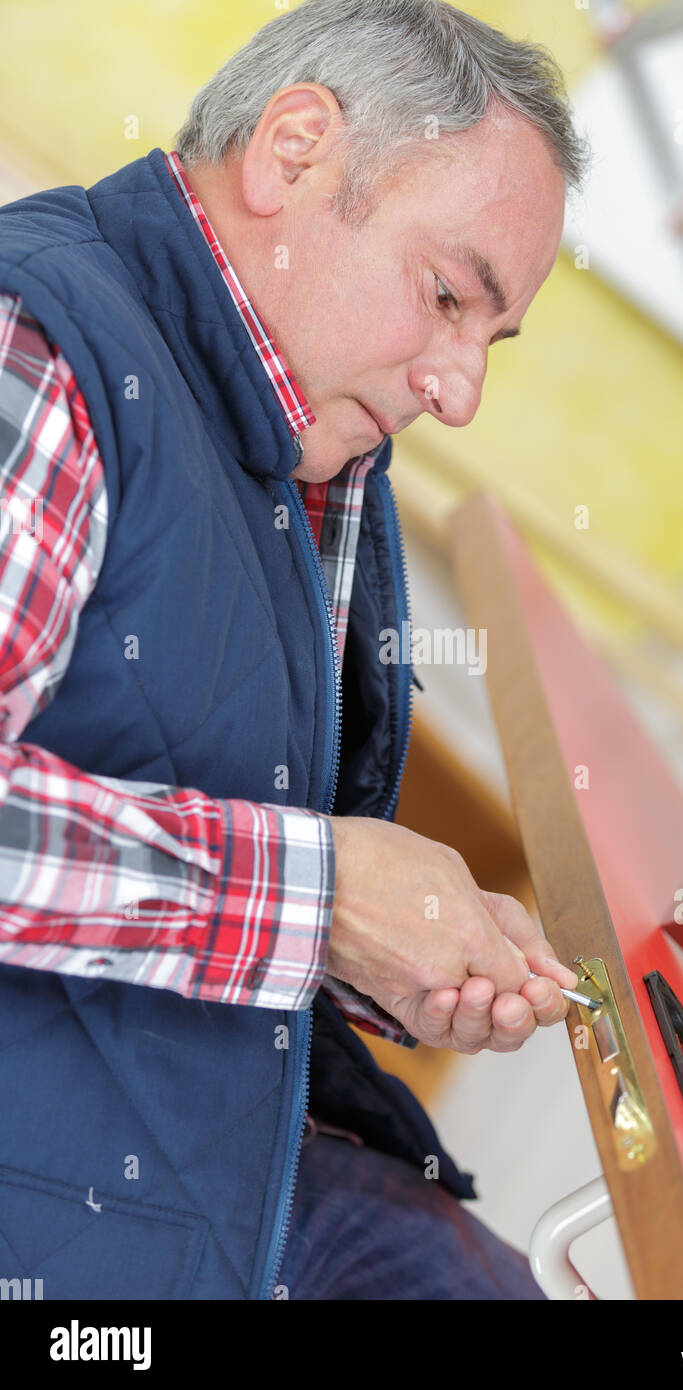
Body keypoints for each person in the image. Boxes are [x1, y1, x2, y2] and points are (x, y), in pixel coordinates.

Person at [0, 0, 588, 1299]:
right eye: (446, 296)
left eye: (487, 340)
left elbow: (203, 830)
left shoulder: (307, 441)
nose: (462, 388)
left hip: (214, 1156)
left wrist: (386, 954)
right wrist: (321, 898)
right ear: (292, 151)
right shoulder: (33, 348)